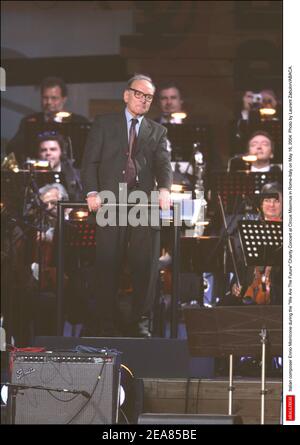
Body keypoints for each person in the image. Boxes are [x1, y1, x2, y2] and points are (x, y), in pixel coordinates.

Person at [81, 73, 172, 337]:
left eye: (148, 97)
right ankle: (106, 322)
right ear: (126, 94)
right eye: (139, 94)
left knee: (145, 266)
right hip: (109, 203)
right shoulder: (104, 124)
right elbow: (90, 162)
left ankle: (140, 321)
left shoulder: (157, 131)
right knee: (108, 264)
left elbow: (163, 164)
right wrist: (91, 192)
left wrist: (164, 189)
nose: (143, 100)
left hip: (142, 204)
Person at [6, 76, 89, 164]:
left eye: (54, 98)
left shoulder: (78, 121)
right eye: (45, 98)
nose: (49, 102)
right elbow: (12, 148)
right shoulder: (29, 121)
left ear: (64, 99)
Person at [37, 131, 83, 201]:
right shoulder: (33, 176)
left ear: (62, 152)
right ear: (38, 153)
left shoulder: (74, 174)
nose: (48, 153)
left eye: (53, 149)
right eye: (43, 150)